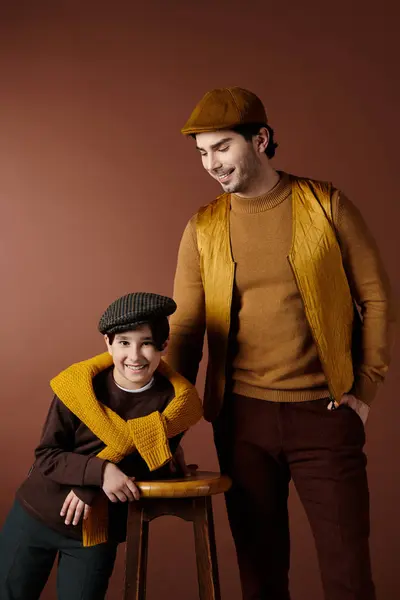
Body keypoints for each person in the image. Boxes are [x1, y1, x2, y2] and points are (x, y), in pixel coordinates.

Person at [166, 87, 396, 600]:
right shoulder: (203, 227)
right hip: (241, 420)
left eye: (221, 147)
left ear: (261, 140)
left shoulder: (326, 204)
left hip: (325, 413)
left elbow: (376, 301)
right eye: (202, 153)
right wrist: (169, 428)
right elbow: (185, 332)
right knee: (261, 578)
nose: (211, 164)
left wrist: (364, 392)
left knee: (349, 578)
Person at [0, 292, 203, 599]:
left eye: (146, 343)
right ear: (108, 344)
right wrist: (100, 472)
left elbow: (148, 460)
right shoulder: (78, 386)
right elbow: (48, 456)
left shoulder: (176, 404)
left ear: (163, 346)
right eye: (123, 342)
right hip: (34, 516)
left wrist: (90, 486)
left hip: (95, 534)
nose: (134, 355)